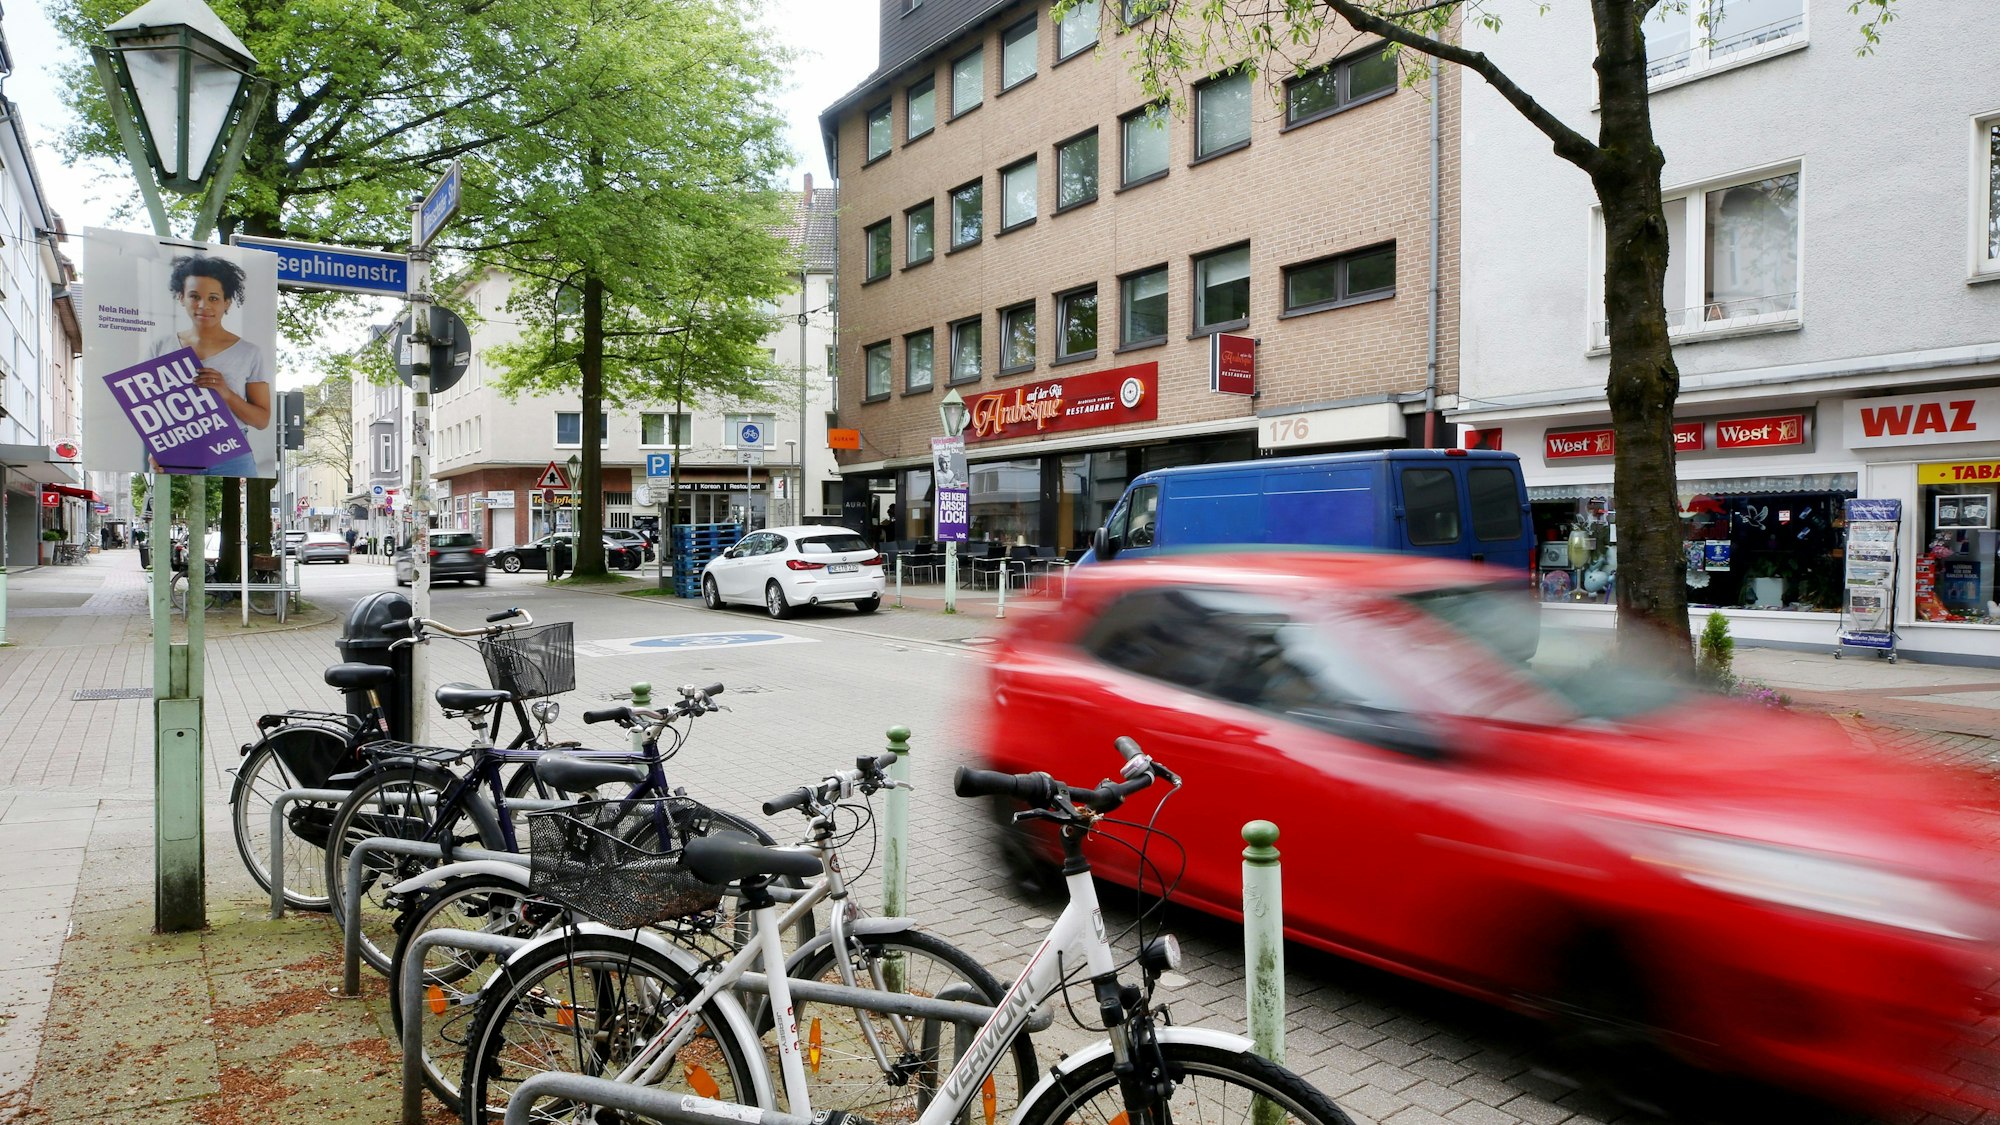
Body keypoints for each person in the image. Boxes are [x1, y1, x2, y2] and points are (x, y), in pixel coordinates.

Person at [147, 254, 272, 477]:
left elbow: (262, 421)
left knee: (234, 510)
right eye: (195, 296)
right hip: (176, 450)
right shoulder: (161, 346)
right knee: (177, 511)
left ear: (227, 303)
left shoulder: (249, 352)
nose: (203, 305)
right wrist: (154, 450)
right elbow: (147, 409)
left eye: (214, 298)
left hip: (231, 454)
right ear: (181, 297)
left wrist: (226, 393)